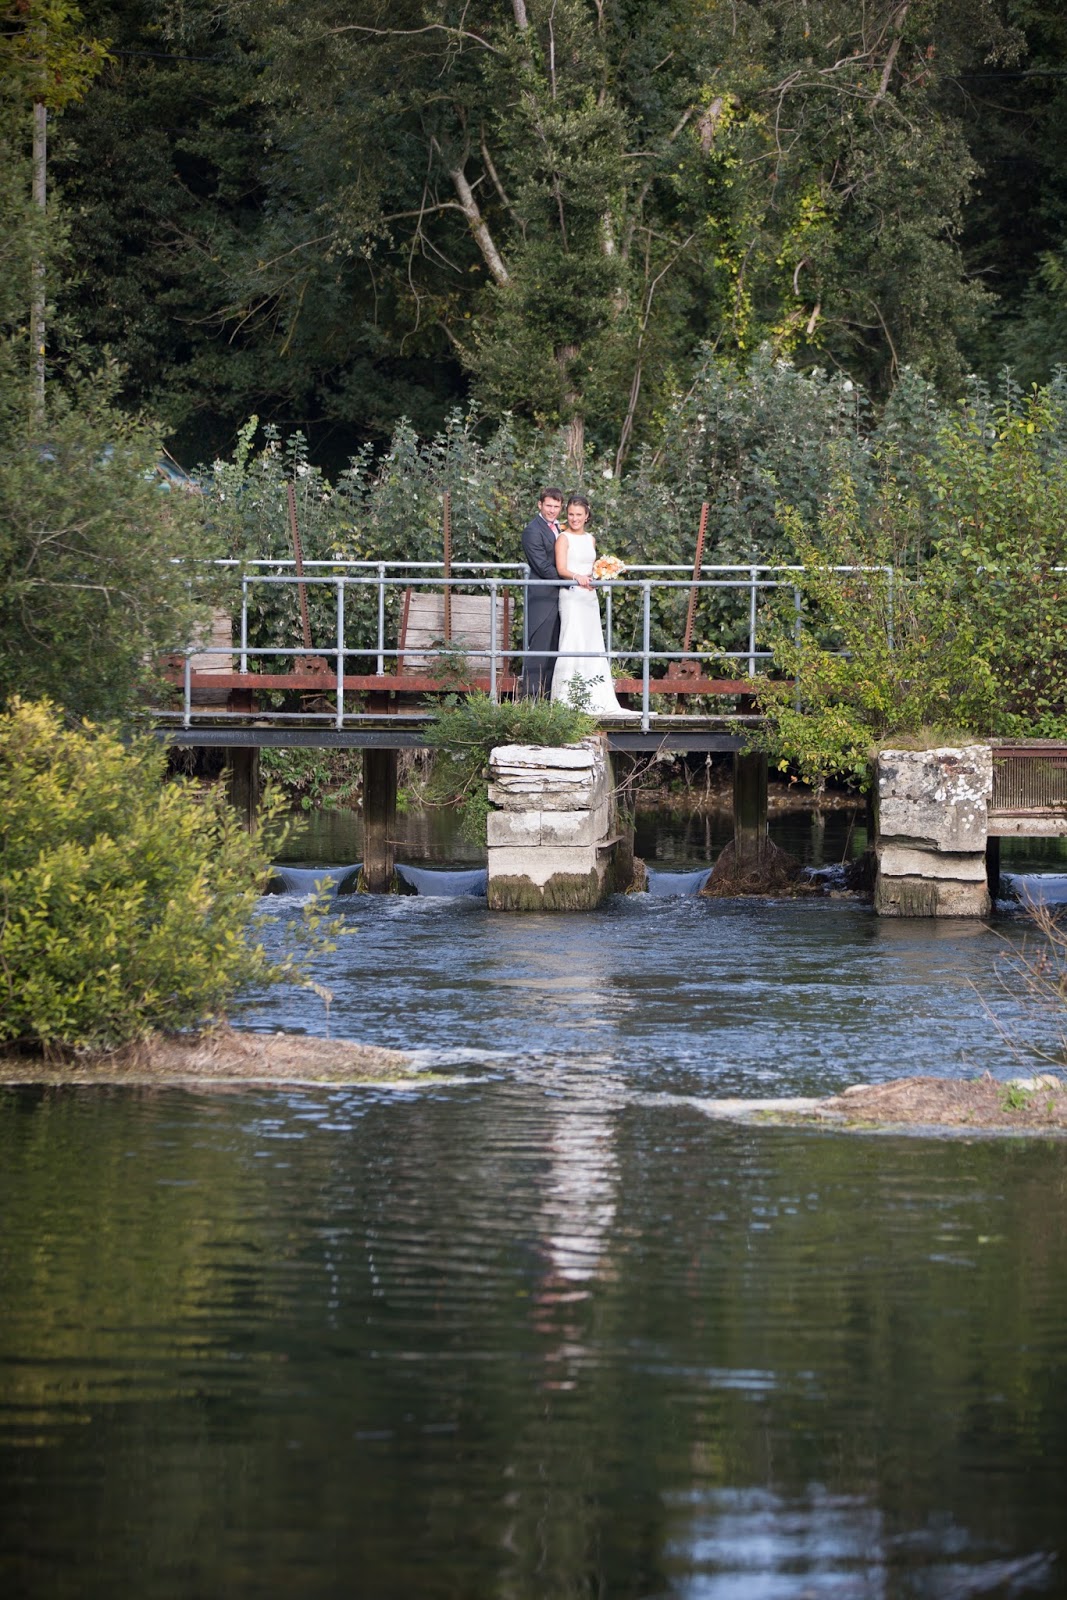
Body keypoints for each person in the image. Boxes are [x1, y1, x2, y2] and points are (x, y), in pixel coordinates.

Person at [551, 494, 639, 716]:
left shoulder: (590, 539)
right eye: (571, 514)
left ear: (587, 516)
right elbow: (561, 568)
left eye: (579, 514)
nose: (574, 519)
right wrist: (577, 577)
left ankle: (595, 694)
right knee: (573, 639)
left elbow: (591, 567)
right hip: (571, 595)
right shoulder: (563, 538)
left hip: (588, 596)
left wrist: (601, 574)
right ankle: (568, 697)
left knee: (591, 641)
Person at [520, 487, 565, 696]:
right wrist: (570, 581)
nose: (552, 510)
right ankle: (531, 700)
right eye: (548, 505)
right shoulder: (532, 530)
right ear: (540, 505)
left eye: (556, 506)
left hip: (561, 598)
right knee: (539, 650)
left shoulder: (559, 528)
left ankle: (548, 698)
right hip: (543, 598)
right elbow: (542, 566)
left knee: (555, 649)